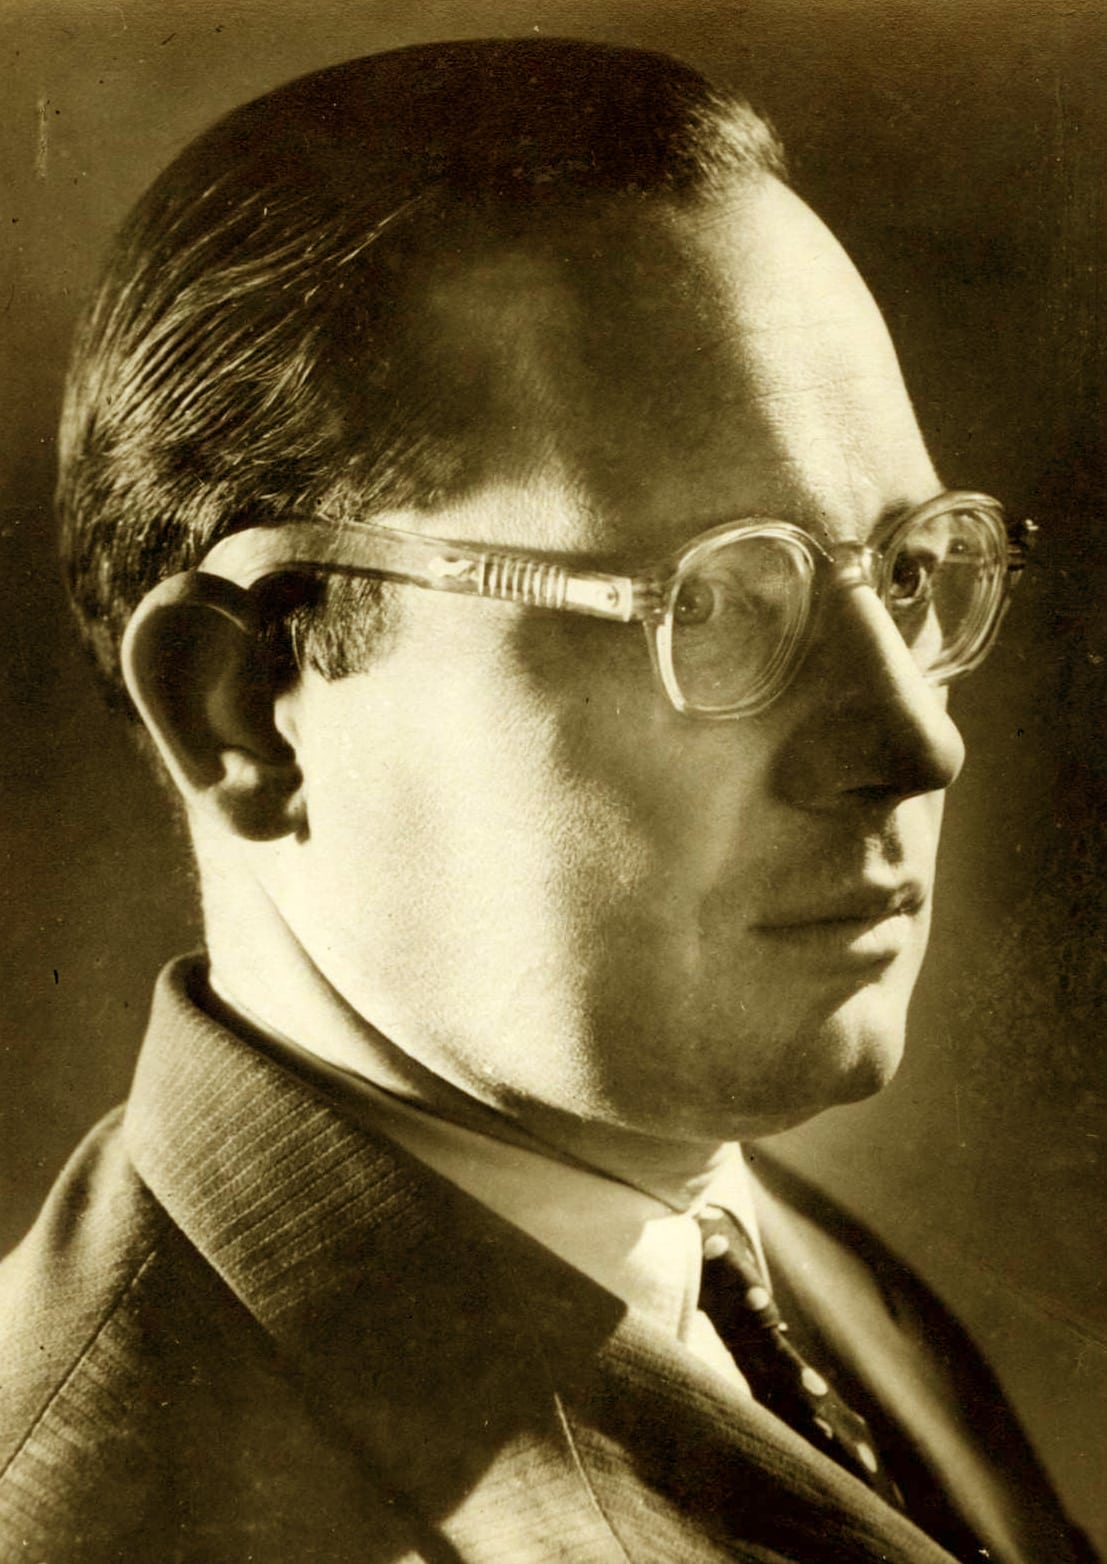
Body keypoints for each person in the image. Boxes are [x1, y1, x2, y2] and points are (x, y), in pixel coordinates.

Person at [0, 36, 1092, 1564]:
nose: (920, 743)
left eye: (909, 574)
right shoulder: (108, 1520)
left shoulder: (743, 1244)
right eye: (715, 605)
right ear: (243, 711)